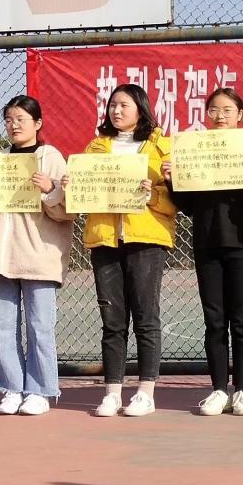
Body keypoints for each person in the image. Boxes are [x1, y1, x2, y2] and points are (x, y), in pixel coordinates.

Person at [0, 96, 74, 415]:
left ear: (38, 123)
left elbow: (68, 211)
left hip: (38, 256)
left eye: (21, 119)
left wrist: (49, 189)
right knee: (1, 325)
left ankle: (40, 391)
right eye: (9, 119)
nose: (14, 125)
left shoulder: (50, 158)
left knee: (40, 326)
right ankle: (10, 388)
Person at [63, 83, 176, 418]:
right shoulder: (96, 147)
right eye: (112, 105)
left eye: (124, 104)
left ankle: (145, 392)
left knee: (145, 317)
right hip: (106, 240)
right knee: (112, 320)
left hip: (147, 239)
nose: (116, 110)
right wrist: (72, 187)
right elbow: (81, 197)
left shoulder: (161, 146)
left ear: (141, 108)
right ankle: (112, 392)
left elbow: (178, 200)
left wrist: (153, 195)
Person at [162, 88, 243, 417]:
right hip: (207, 243)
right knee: (214, 320)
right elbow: (188, 206)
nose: (220, 116)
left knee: (241, 318)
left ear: (241, 115)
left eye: (227, 110)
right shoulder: (196, 150)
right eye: (213, 110)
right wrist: (171, 180)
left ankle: (242, 390)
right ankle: (218, 390)